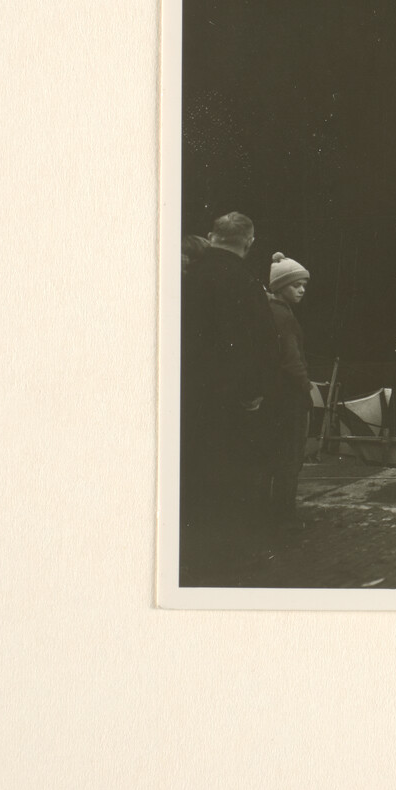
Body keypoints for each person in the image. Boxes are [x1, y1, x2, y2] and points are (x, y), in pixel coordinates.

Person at [182, 212, 279, 559]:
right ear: (249, 242)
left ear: (212, 235)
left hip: (188, 394)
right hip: (231, 400)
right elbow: (264, 342)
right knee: (232, 478)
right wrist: (253, 392)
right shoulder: (244, 281)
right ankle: (231, 555)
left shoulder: (187, 275)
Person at [261, 252, 314, 530]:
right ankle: (284, 518)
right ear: (281, 286)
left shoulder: (269, 309)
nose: (302, 289)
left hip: (273, 396)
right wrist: (307, 388)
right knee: (290, 458)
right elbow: (293, 360)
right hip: (289, 397)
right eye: (296, 285)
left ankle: (272, 515)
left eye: (304, 284)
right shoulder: (284, 316)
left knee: (274, 457)